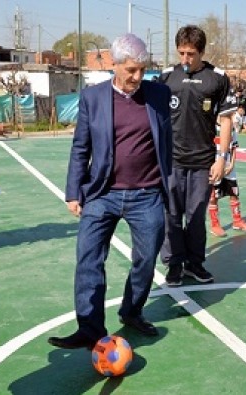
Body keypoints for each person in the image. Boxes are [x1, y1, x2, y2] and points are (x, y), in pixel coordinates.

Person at [49, 34, 172, 349]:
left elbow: (167, 144)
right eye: (130, 69)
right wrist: (73, 192)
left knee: (146, 260)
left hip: (147, 194)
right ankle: (89, 328)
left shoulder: (159, 94)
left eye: (142, 69)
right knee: (88, 259)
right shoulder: (93, 97)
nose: (137, 76)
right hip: (102, 193)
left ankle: (132, 311)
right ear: (114, 65)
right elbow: (81, 147)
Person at [157, 25, 236, 286]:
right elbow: (154, 118)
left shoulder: (217, 79)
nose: (185, 59)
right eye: (181, 53)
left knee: (196, 215)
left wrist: (222, 157)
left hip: (203, 161)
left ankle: (194, 264)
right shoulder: (167, 77)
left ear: (201, 52)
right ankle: (174, 265)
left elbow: (226, 121)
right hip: (171, 162)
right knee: (171, 215)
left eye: (191, 54)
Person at [208, 127, 246, 237]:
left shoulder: (231, 128)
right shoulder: (210, 125)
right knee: (213, 197)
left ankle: (237, 220)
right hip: (215, 166)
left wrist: (232, 164)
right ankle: (215, 225)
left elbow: (233, 147)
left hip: (228, 167)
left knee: (234, 193)